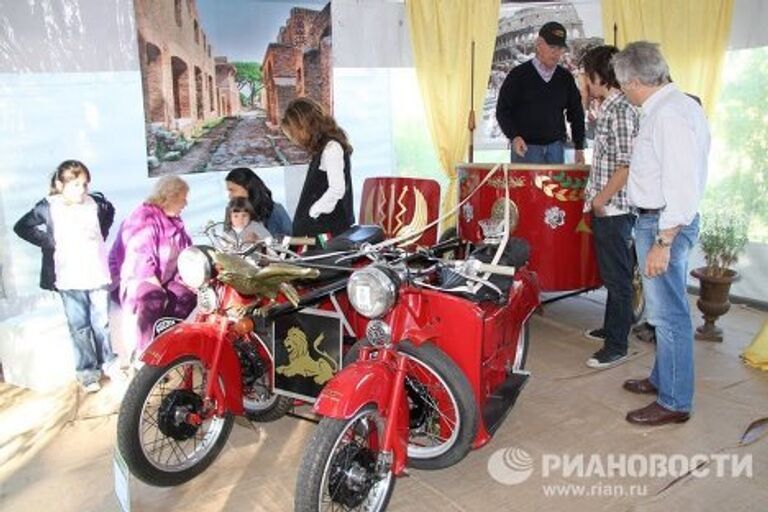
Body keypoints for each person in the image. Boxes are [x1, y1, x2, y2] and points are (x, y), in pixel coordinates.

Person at [613, 41, 710, 426]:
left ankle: (674, 401)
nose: (623, 91)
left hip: (663, 223)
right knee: (663, 311)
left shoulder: (668, 114)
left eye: (623, 85)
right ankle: (662, 378)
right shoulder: (676, 106)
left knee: (669, 317)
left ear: (635, 81)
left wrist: (663, 242)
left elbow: (682, 186)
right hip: (658, 220)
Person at [14, 160, 119, 393]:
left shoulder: (96, 204)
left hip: (96, 272)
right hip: (70, 277)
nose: (81, 190)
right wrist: (49, 242)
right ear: (60, 185)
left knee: (101, 323)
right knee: (79, 326)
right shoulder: (49, 207)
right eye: (75, 185)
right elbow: (22, 227)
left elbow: (108, 214)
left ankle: (109, 362)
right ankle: (87, 372)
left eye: (84, 184)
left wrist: (100, 236)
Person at [579, 45, 640, 369]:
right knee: (612, 273)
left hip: (614, 208)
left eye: (587, 75)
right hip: (607, 206)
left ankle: (617, 345)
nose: (585, 82)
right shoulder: (611, 107)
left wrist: (601, 199)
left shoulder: (621, 111)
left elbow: (626, 164)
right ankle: (612, 327)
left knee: (617, 278)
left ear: (598, 75)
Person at [109, 176, 196, 355]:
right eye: (183, 198)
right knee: (154, 297)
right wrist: (157, 287)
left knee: (188, 296)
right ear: (169, 197)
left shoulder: (174, 220)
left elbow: (186, 252)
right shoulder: (144, 217)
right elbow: (139, 259)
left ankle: (164, 340)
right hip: (134, 278)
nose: (185, 203)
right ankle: (144, 353)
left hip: (164, 277)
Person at [496, 21, 586, 164]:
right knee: (525, 187)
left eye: (560, 48)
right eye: (552, 47)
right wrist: (514, 137)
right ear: (538, 44)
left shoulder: (565, 78)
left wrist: (579, 147)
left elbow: (576, 113)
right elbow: (502, 110)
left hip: (556, 149)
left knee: (556, 187)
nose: (556, 53)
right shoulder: (518, 76)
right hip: (525, 149)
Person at [280, 97, 354, 238]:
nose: (294, 140)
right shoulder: (324, 148)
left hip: (328, 228)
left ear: (305, 126)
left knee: (312, 258)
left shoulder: (332, 148)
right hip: (320, 226)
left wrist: (313, 211)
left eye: (294, 133)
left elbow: (337, 189)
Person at [225, 167, 292, 237]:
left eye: (233, 190)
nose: (230, 196)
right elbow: (227, 240)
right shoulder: (231, 212)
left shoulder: (275, 210)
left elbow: (295, 243)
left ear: (247, 187)